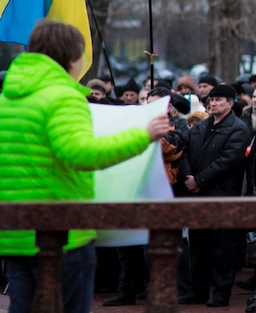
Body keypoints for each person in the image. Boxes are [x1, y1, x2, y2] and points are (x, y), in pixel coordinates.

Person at [0, 19, 170, 313]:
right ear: (71, 58)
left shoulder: (7, 98)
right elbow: (80, 154)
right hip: (63, 232)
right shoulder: (64, 96)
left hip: (14, 232)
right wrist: (143, 135)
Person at [178, 83, 251, 307]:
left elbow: (228, 161)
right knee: (198, 247)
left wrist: (199, 180)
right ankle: (197, 291)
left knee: (222, 249)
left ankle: (221, 294)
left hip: (222, 196)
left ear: (230, 103)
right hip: (198, 195)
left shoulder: (238, 128)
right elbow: (186, 152)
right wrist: (189, 176)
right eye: (211, 99)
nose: (213, 103)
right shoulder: (201, 126)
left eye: (219, 99)